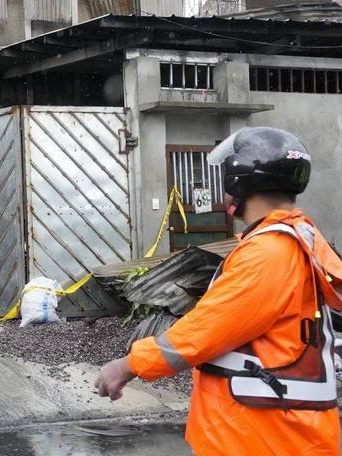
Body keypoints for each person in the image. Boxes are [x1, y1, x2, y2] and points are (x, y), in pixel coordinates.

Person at [95, 126, 342, 455]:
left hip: (262, 436)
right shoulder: (296, 239)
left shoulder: (268, 254)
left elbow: (206, 331)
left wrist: (128, 365)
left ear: (238, 182)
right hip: (276, 429)